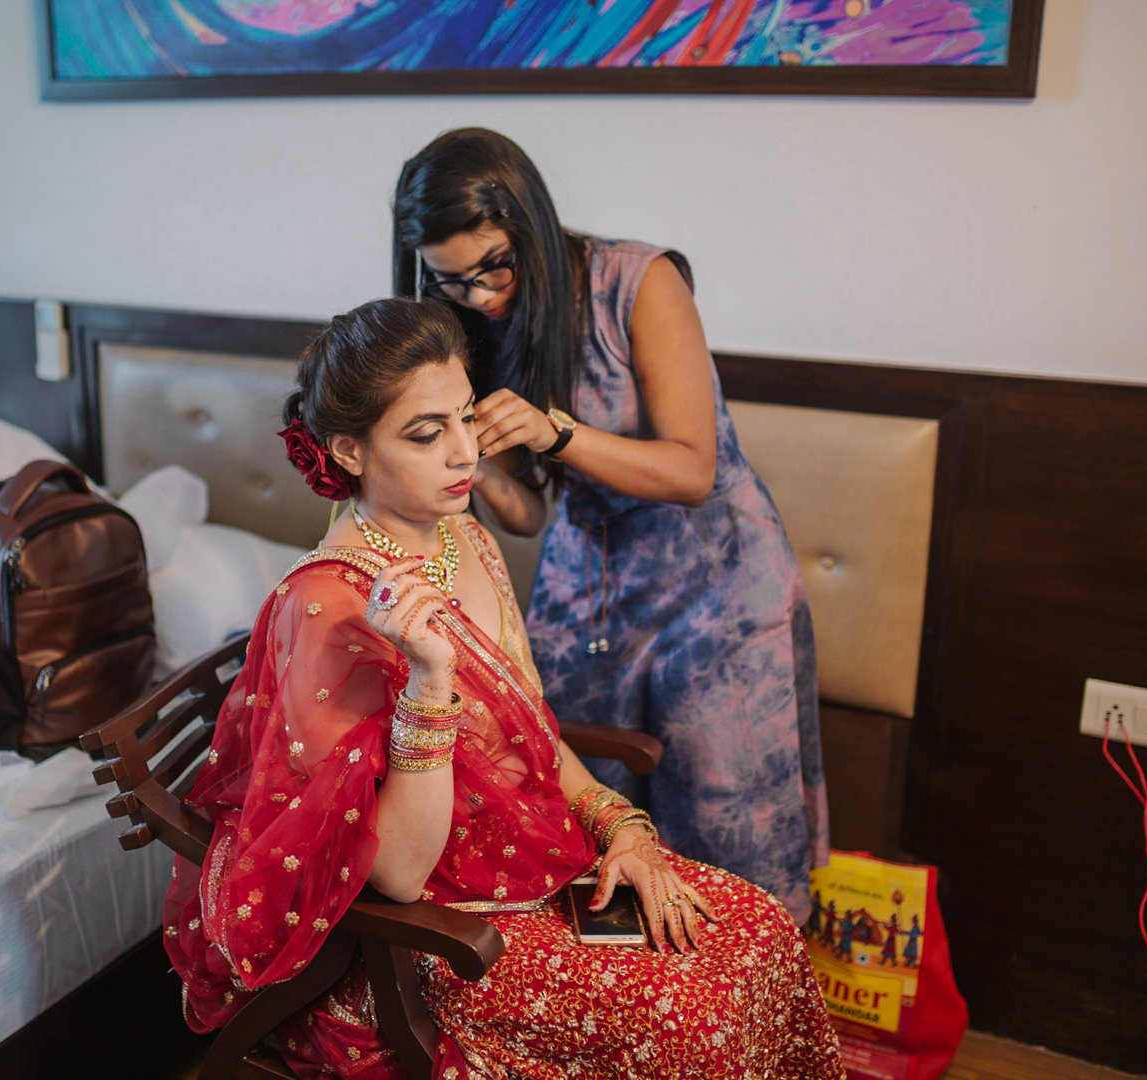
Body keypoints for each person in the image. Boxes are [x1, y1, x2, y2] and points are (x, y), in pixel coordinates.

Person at [162, 298, 842, 1079]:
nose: (466, 454)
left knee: (764, 931)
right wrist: (429, 679)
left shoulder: (466, 538)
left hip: (542, 855)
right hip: (441, 931)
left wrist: (623, 828)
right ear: (348, 449)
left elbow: (532, 733)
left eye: (466, 418)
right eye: (427, 434)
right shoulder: (328, 609)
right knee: (700, 1018)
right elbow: (399, 875)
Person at [392, 127, 829, 922]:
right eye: (453, 280)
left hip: (713, 577)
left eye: (494, 266)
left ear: (529, 223)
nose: (481, 296)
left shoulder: (638, 281)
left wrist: (554, 432)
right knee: (575, 801)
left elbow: (692, 471)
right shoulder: (472, 322)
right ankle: (621, 987)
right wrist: (473, 462)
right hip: (587, 578)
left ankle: (740, 980)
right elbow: (530, 514)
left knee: (723, 811)